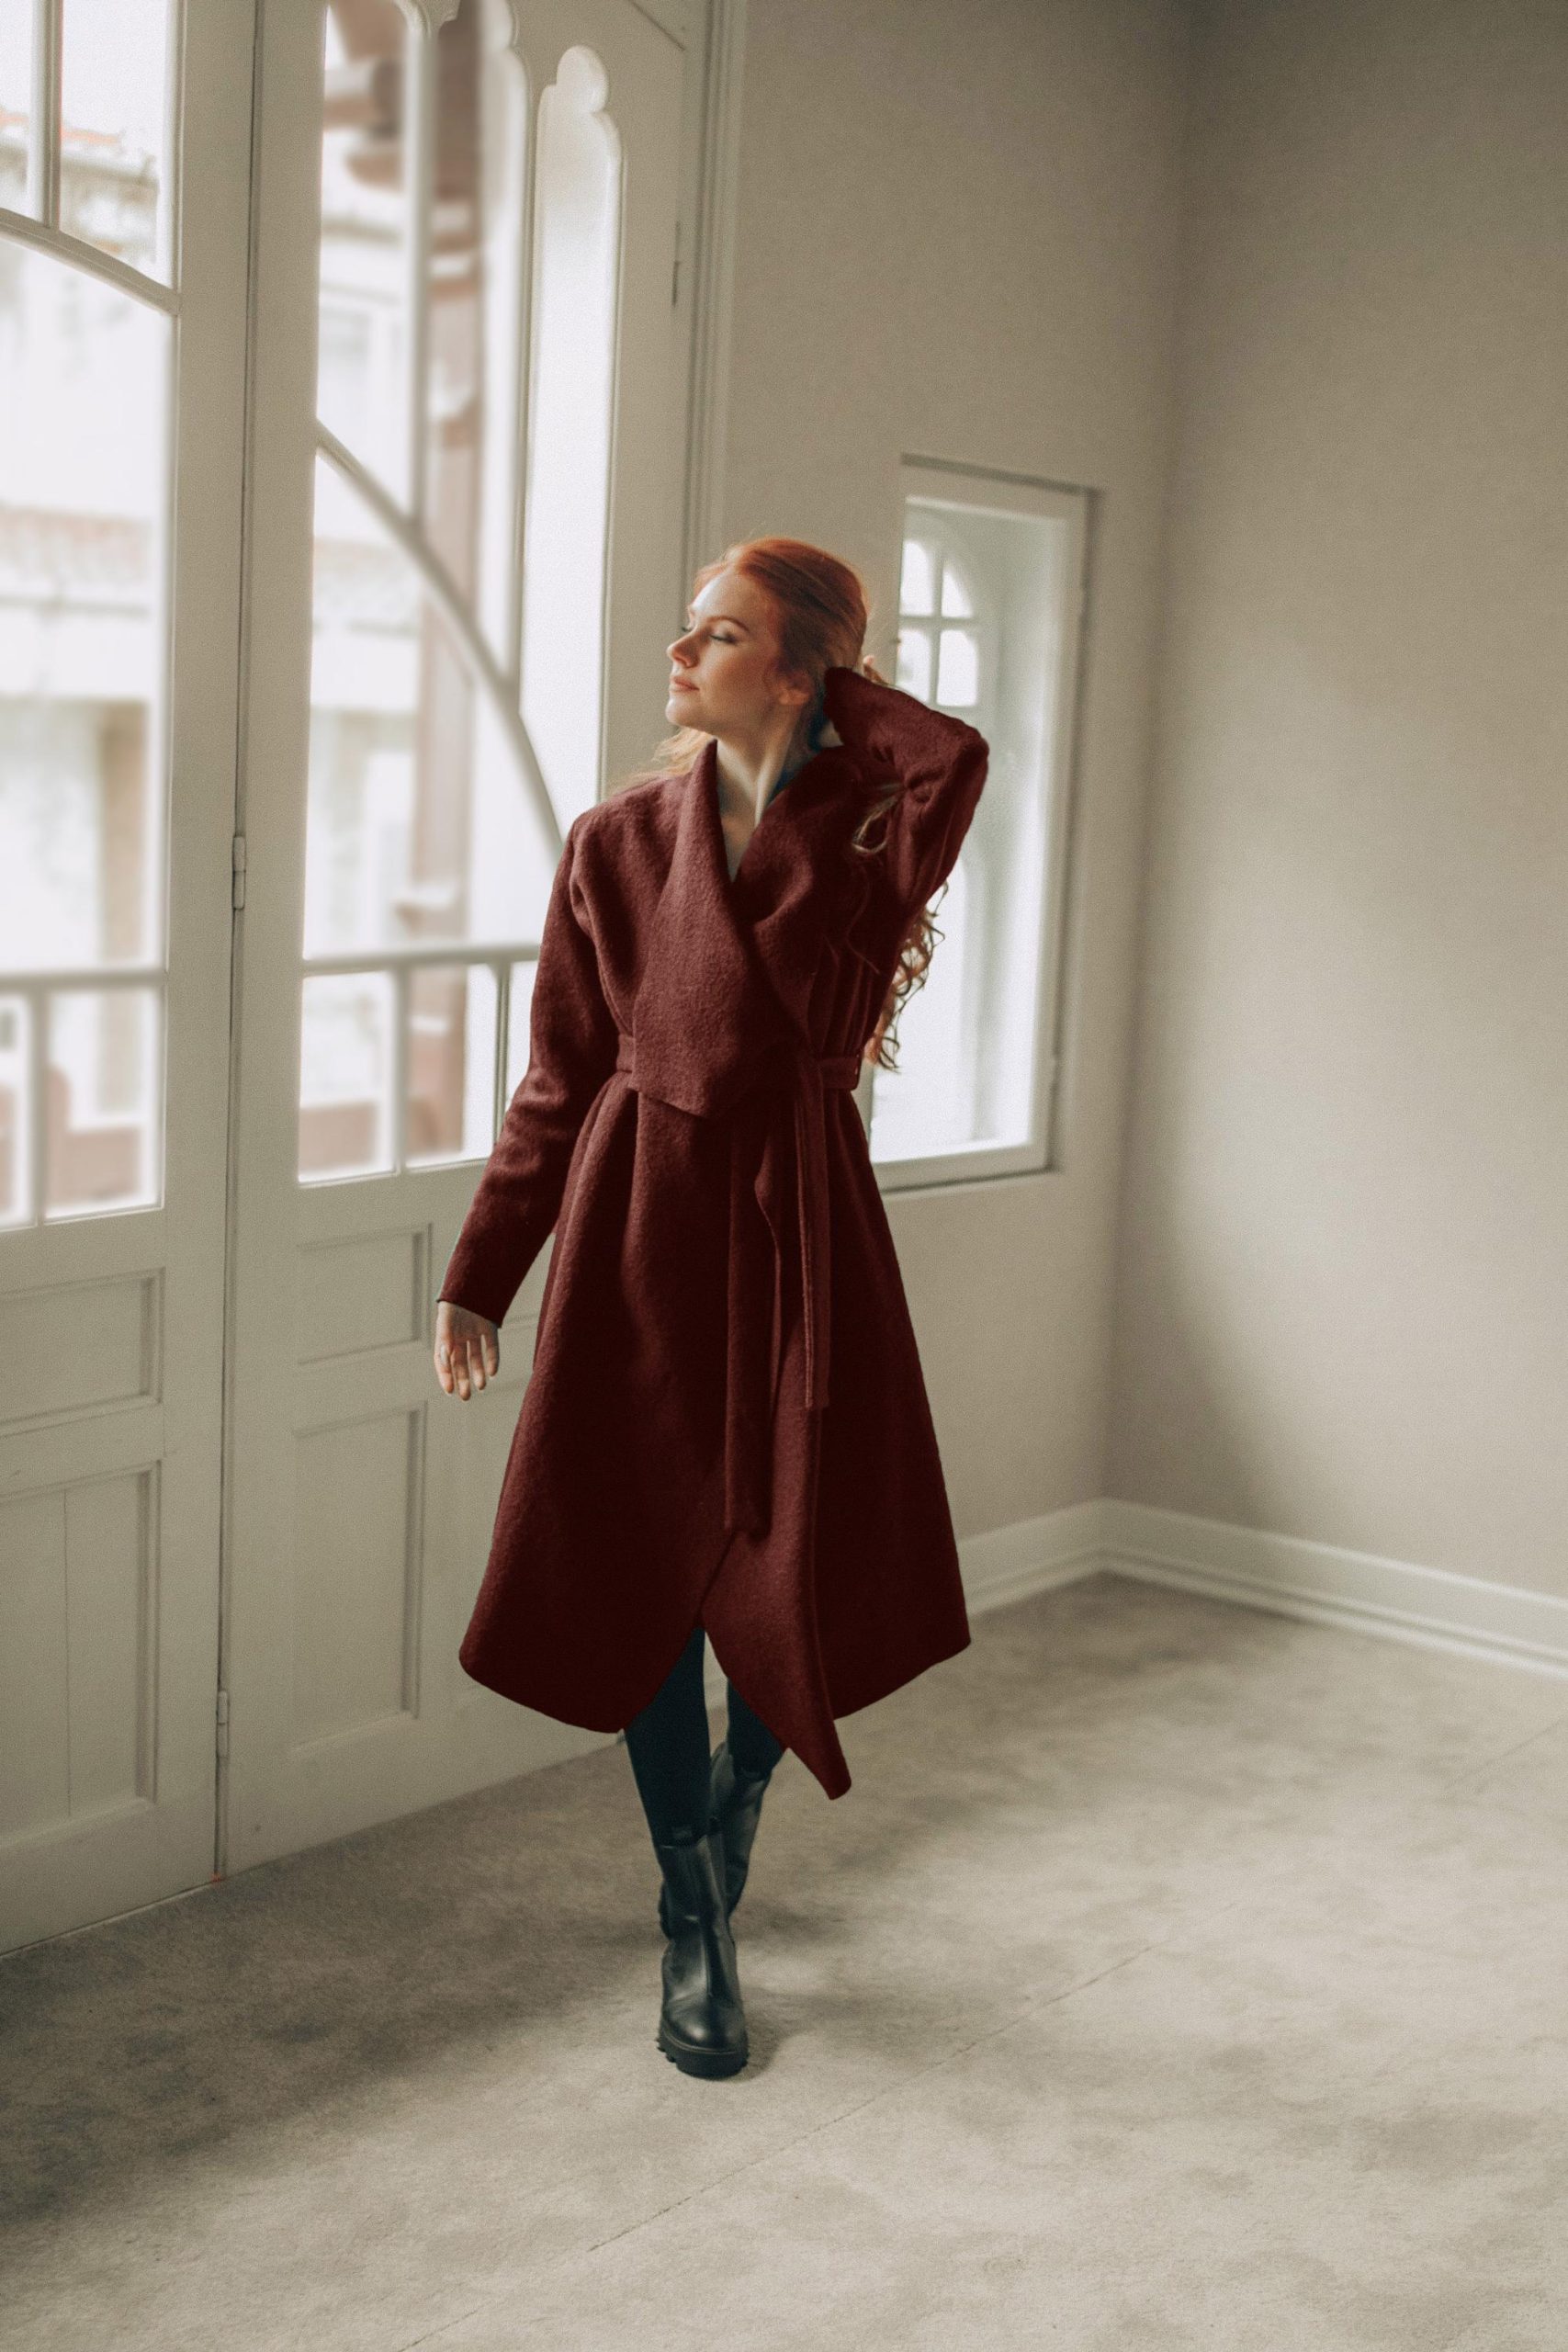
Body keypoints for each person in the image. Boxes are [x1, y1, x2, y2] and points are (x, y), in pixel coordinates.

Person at [432, 538, 989, 2078]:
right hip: (637, 1231)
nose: (679, 655)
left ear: (803, 672)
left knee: (790, 1552)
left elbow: (953, 757)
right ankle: (694, 1912)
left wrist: (830, 694)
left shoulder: (870, 835)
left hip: (801, 1231)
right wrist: (484, 1270)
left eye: (722, 634)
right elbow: (557, 1080)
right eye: (689, 629)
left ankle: (746, 1787)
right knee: (644, 1571)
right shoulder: (614, 843)